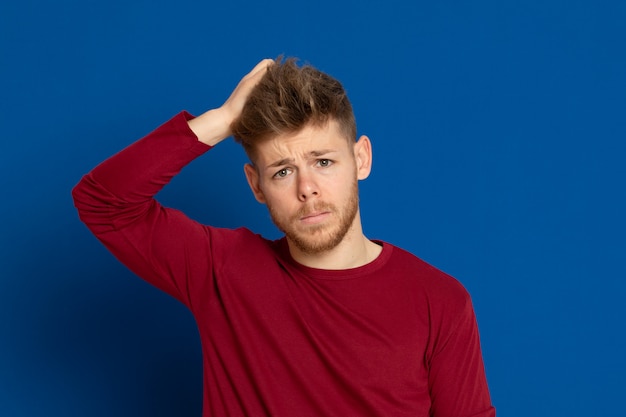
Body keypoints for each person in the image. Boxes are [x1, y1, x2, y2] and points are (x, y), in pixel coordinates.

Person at [73, 57, 495, 417]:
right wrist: (221, 120)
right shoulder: (222, 271)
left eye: (324, 161)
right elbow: (103, 202)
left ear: (361, 158)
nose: (307, 188)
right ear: (256, 186)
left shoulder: (440, 302)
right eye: (283, 171)